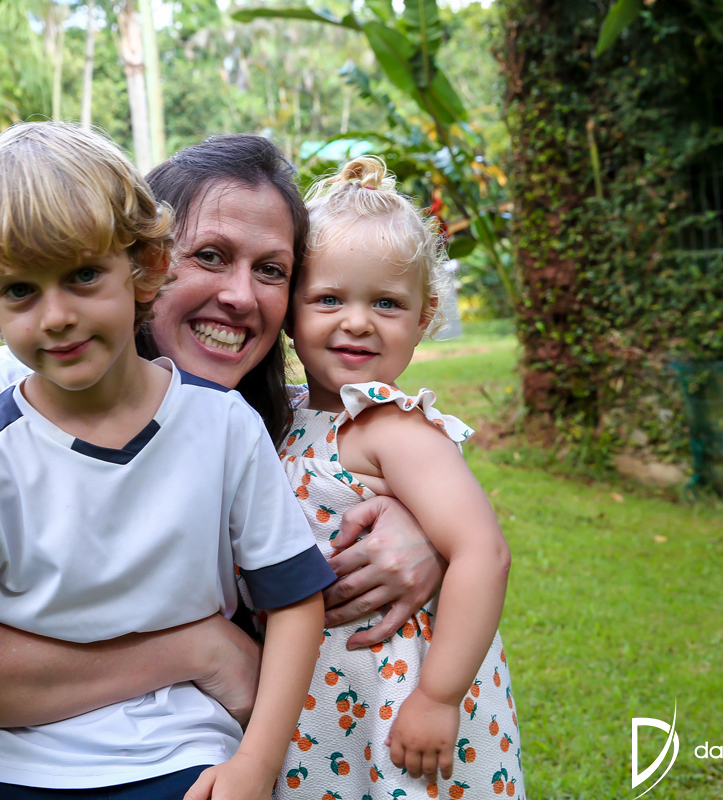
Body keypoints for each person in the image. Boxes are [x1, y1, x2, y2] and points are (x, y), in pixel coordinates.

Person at [0, 133, 447, 800]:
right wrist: (200, 649)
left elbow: (336, 518)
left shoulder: (236, 423)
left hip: (175, 759)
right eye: (211, 256)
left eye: (272, 271)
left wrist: (432, 532)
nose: (240, 296)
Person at [0, 121, 331, 800]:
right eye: (20, 290)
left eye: (84, 275)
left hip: (176, 756)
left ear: (147, 266)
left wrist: (258, 762)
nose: (56, 316)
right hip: (1, 769)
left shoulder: (225, 427)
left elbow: (296, 598)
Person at [271, 156, 522, 799]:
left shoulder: (393, 426)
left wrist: (438, 696)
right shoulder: (287, 416)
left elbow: (482, 553)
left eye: (386, 303)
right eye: (329, 299)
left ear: (423, 315)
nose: (357, 321)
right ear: (291, 311)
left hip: (402, 696)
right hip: (328, 696)